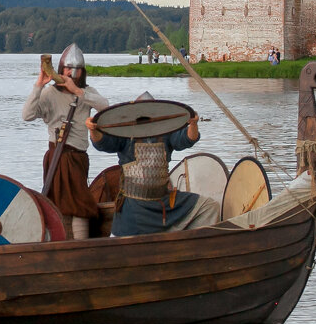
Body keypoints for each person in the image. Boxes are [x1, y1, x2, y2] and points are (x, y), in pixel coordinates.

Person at [86, 93, 219, 237]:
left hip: (163, 201)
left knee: (209, 207)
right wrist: (92, 129)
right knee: (123, 238)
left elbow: (188, 138)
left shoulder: (166, 132)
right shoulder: (124, 134)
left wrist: (193, 123)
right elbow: (102, 143)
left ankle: (188, 244)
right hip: (134, 205)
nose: (145, 119)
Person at [22, 43, 109, 238]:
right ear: (61, 69)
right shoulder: (49, 93)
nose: (71, 73)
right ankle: (60, 244)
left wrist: (78, 92)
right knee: (55, 202)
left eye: (76, 69)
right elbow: (27, 115)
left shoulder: (87, 92)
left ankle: (80, 245)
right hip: (56, 156)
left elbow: (105, 107)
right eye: (68, 68)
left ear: (82, 72)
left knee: (80, 204)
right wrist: (39, 85)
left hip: (77, 157)